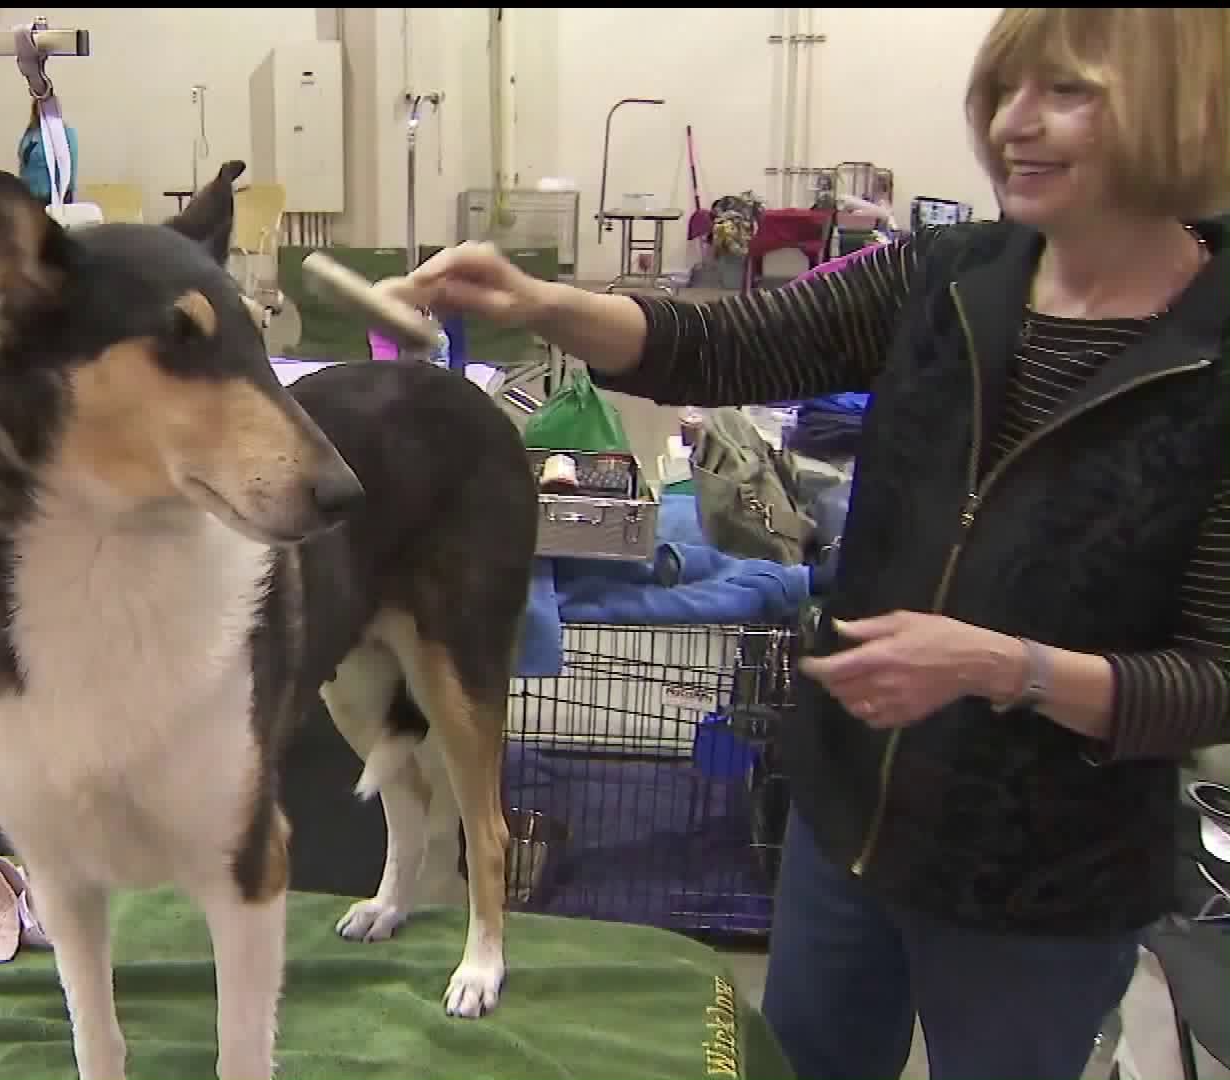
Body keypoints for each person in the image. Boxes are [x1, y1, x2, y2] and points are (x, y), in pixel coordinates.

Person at [381, 8, 1229, 1080]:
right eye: (1006, 89)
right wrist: (544, 302)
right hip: (847, 827)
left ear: (1174, 106)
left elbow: (1213, 677)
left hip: (1045, 886)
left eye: (1067, 93)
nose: (1015, 124)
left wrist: (1000, 666)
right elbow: (727, 343)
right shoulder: (951, 274)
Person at [16, 99, 78, 205]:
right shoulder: (31, 132)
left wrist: (68, 190)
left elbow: (71, 162)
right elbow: (23, 162)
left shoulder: (65, 133)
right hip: (29, 194)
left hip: (52, 196)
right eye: (41, 105)